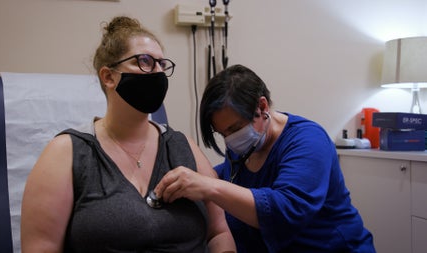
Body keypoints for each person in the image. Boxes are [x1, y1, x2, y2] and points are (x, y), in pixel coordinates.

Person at [20, 16, 236, 253]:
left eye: (162, 65)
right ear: (109, 76)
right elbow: (41, 246)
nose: (157, 72)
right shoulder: (66, 152)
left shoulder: (182, 147)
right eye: (144, 61)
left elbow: (219, 232)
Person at [154, 64, 376, 252]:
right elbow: (235, 179)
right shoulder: (247, 145)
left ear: (262, 106)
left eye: (235, 128)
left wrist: (209, 186)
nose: (230, 140)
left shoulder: (308, 141)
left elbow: (287, 210)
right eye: (223, 134)